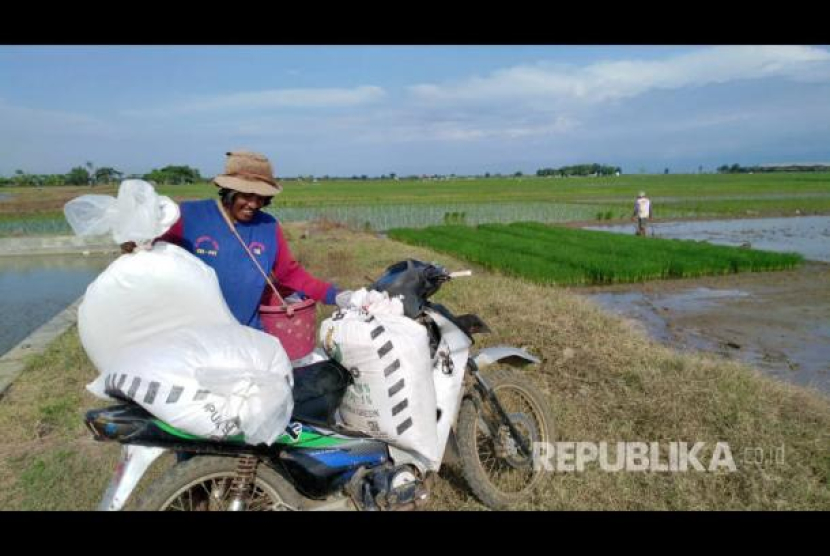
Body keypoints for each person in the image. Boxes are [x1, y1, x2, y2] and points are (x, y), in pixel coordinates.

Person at [122, 150, 341, 330]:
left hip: (249, 333)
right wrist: (135, 242)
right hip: (195, 332)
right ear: (228, 191)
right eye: (246, 195)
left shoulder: (268, 227)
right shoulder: (189, 216)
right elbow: (149, 250)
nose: (253, 204)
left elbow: (289, 273)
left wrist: (335, 295)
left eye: (261, 198)